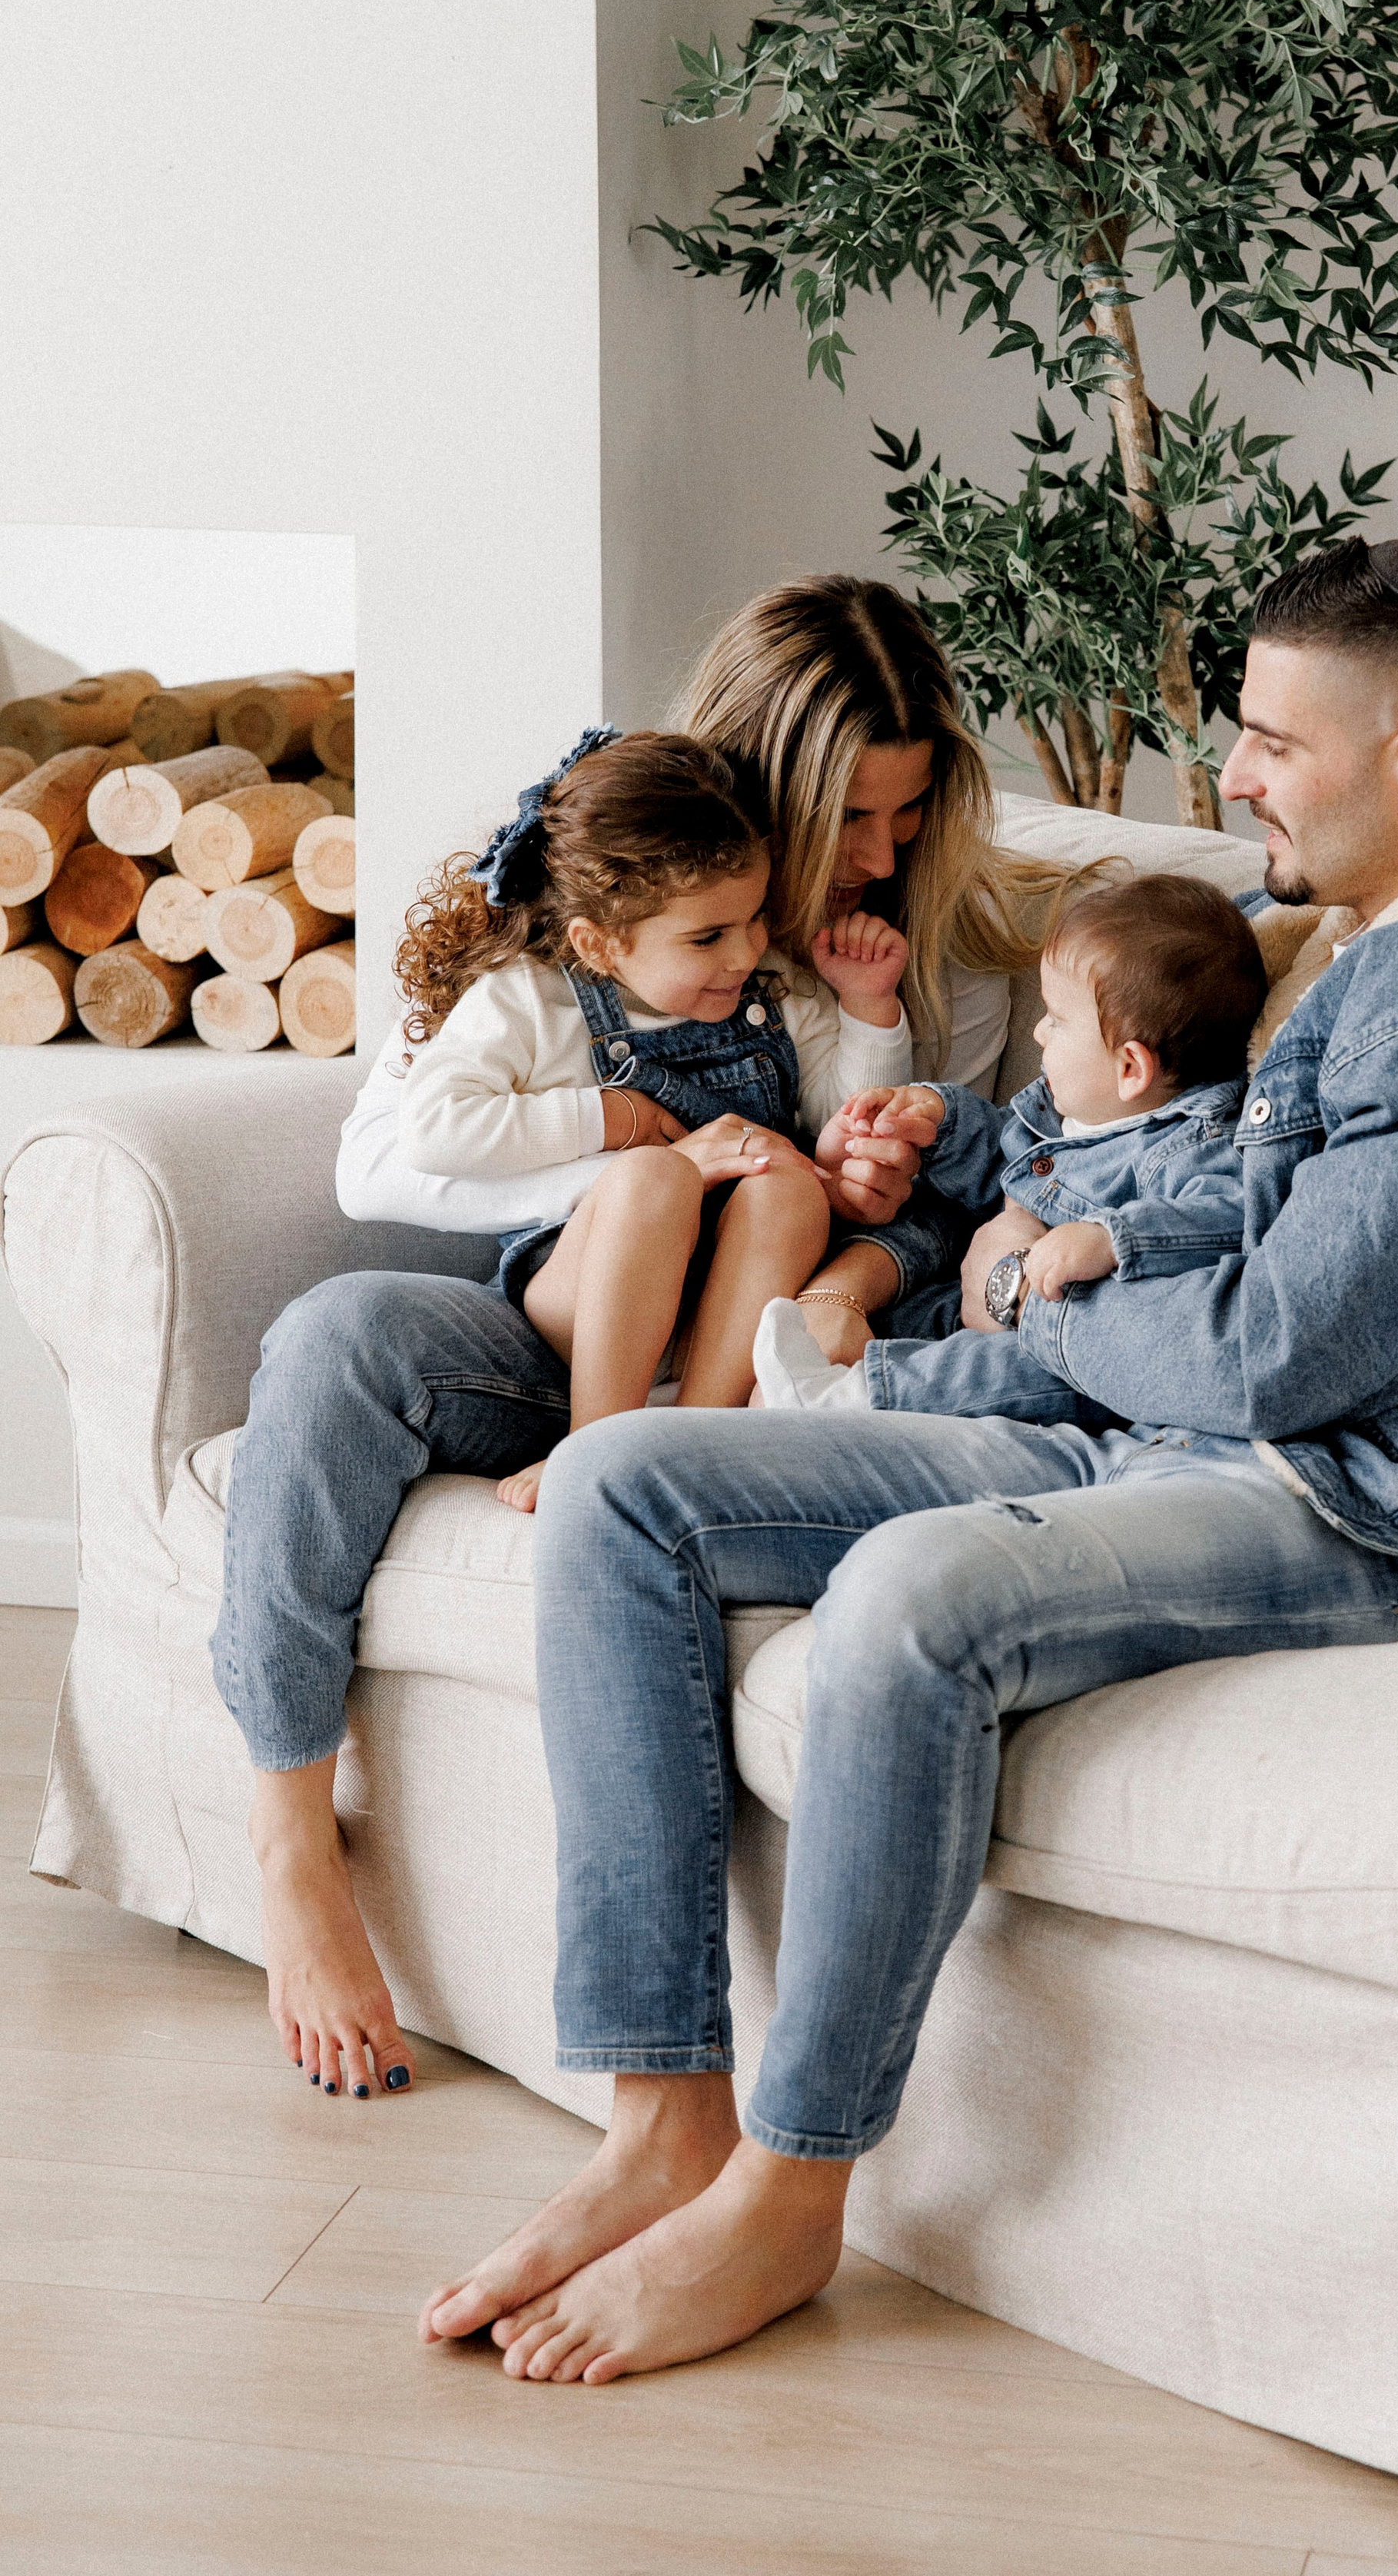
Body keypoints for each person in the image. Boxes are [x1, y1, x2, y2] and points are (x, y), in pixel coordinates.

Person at [417, 534, 1398, 2387]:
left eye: (1268, 740)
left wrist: (1021, 1297)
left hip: (1361, 1502)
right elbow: (1119, 1141)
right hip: (1161, 1434)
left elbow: (1277, 1355)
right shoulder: (1356, 925)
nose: (1233, 774)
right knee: (630, 1488)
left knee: (910, 1597)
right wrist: (945, 1177)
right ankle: (662, 2120)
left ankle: (792, 2188)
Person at [214, 577, 1068, 2104]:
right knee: (338, 1333)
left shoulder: (941, 958)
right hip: (574, 1308)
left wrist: (859, 1242)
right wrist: (641, 1157)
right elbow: (385, 1164)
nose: (882, 856)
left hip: (760, 1351)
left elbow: (969, 1213)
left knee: (771, 1215)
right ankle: (288, 1835)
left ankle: (639, 1456)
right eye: (851, 818)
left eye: (910, 812)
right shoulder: (606, 885)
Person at [393, 727, 915, 1507]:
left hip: (725, 1306)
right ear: (600, 945)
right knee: (652, 1179)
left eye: (754, 918)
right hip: (590, 1295)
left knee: (787, 1185)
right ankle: (593, 1448)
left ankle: (689, 1441)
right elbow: (432, 1127)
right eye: (707, 937)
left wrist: (869, 1006)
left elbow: (852, 1122)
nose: (745, 953)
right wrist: (611, 1119)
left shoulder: (772, 990)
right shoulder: (531, 998)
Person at [753, 871, 1269, 1424]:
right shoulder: (1077, 1113)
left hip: (1064, 1353)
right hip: (973, 1303)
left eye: (1057, 1020)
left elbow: (1228, 1215)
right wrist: (939, 1119)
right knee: (921, 1310)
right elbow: (1012, 1160)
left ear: (1130, 1068)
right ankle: (833, 1372)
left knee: (997, 1368)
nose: (1038, 1033)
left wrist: (1112, 1238)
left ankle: (853, 1399)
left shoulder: (1194, 1144)